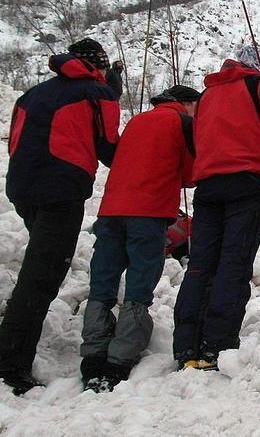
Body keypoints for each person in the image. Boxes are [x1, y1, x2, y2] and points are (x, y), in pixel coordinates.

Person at [1, 39, 120, 394]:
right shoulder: (97, 94)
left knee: (38, 267)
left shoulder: (32, 95)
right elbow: (110, 150)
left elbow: (15, 141)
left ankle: (13, 334)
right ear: (98, 67)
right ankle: (10, 364)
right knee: (41, 277)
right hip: (61, 190)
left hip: (22, 187)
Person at [172, 45, 260, 370]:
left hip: (209, 185)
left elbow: (198, 141)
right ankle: (217, 346)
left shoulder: (208, 95)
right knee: (233, 263)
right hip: (248, 183)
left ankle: (186, 347)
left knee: (200, 263)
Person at [80, 85, 200, 391]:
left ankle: (93, 354)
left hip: (111, 211)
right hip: (148, 214)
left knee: (103, 281)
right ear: (187, 104)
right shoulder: (183, 123)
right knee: (138, 284)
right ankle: (120, 358)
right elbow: (190, 174)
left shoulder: (138, 120)